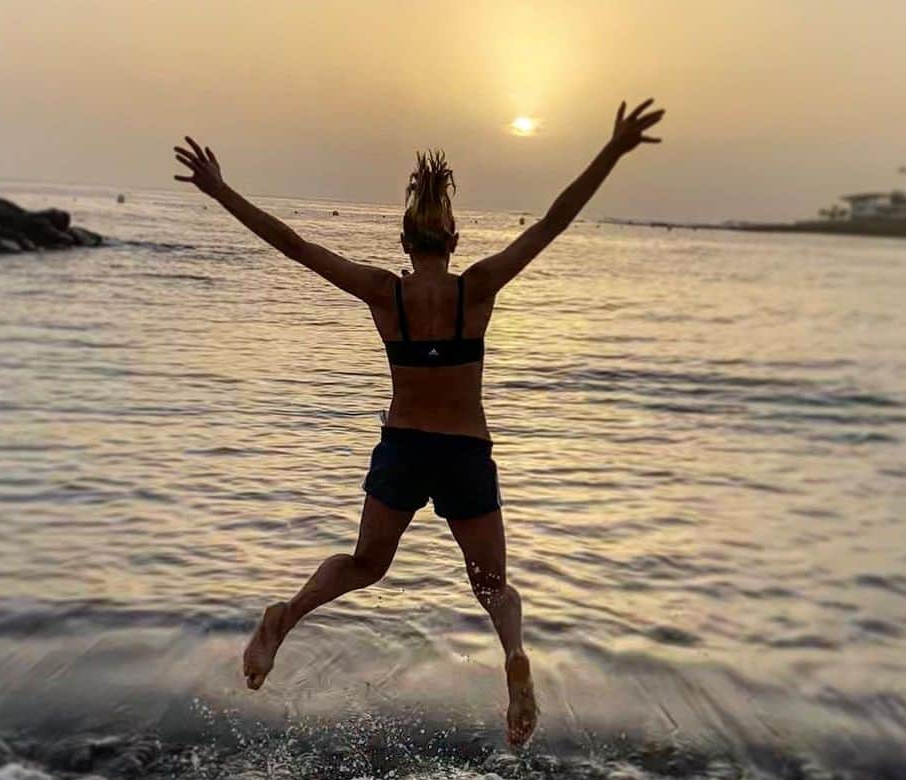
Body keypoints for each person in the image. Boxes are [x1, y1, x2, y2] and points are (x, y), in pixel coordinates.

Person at [172, 98, 665, 747]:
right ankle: (514, 660)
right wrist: (612, 150)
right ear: (454, 241)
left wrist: (220, 190)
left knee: (364, 564)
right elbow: (553, 222)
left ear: (404, 242)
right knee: (492, 586)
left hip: (403, 448)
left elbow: (293, 245)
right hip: (464, 453)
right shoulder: (478, 288)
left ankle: (284, 618)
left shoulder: (386, 294)